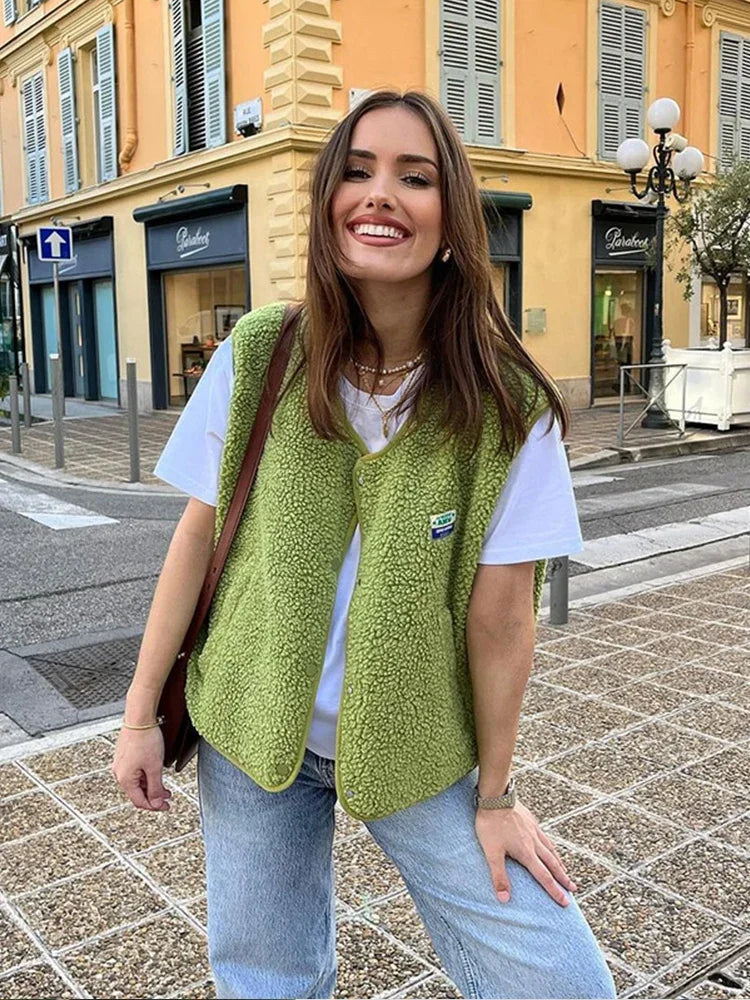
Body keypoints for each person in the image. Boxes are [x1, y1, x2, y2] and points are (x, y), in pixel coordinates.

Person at [113, 89, 616, 1000]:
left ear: (453, 222)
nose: (380, 193)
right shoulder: (262, 352)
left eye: (414, 178)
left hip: (419, 742)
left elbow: (505, 620)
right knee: (266, 979)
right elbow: (195, 539)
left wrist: (497, 795)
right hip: (247, 726)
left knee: (561, 983)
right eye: (357, 171)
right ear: (327, 205)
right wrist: (141, 714)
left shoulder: (508, 407)